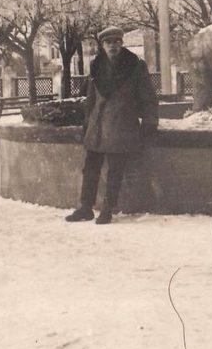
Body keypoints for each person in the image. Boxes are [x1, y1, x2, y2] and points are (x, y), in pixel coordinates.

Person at [65, 26, 159, 225]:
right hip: (98, 125)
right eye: (109, 42)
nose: (113, 45)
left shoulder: (135, 65)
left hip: (122, 124)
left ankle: (108, 209)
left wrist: (149, 123)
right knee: (90, 167)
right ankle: (85, 208)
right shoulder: (96, 65)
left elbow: (148, 97)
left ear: (122, 43)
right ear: (102, 45)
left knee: (115, 169)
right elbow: (91, 97)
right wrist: (87, 122)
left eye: (117, 41)